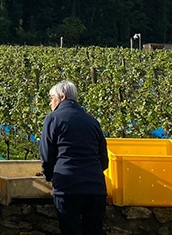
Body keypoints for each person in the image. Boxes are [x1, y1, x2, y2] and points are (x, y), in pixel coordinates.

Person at [38, 80, 109, 235]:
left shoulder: (53, 119)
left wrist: (49, 176)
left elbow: (47, 155)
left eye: (51, 98)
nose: (50, 103)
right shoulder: (92, 121)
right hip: (95, 188)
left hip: (67, 187)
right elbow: (103, 158)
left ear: (62, 97)